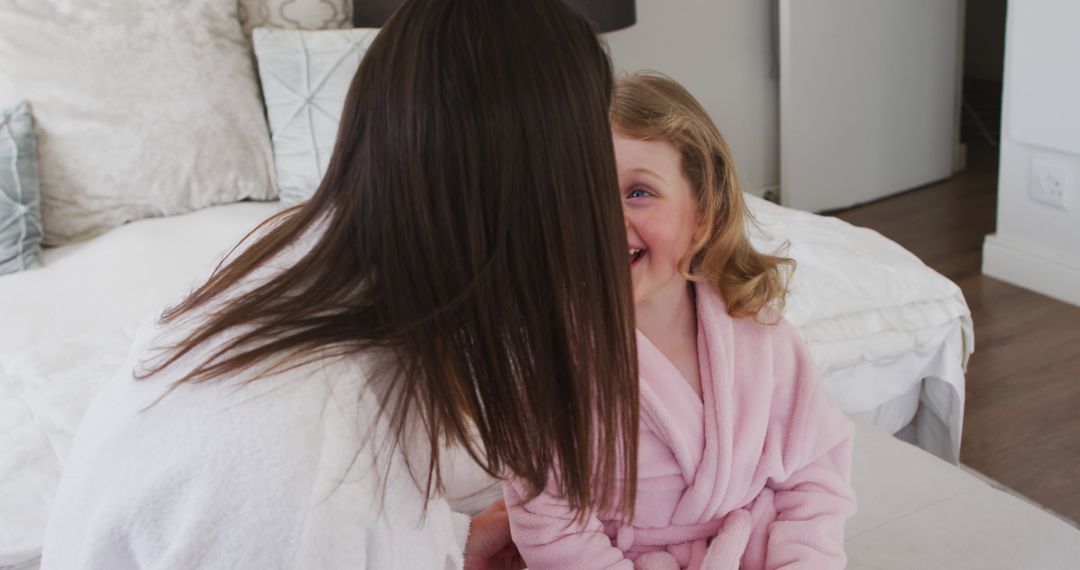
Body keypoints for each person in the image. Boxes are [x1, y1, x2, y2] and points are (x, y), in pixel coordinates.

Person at [39, 1, 641, 568]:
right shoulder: (305, 464)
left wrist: (451, 544)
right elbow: (311, 511)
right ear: (545, 187)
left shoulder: (294, 253)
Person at [504, 73, 857, 570]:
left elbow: (814, 474)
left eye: (639, 192)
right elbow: (551, 524)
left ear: (704, 215)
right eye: (582, 196)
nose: (605, 218)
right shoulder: (547, 357)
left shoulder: (758, 331)